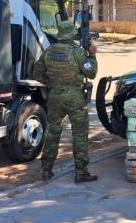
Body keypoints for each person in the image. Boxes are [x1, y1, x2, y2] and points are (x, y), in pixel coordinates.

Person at [33, 21, 98, 183]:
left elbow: (38, 74)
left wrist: (53, 84)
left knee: (53, 132)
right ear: (71, 34)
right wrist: (92, 54)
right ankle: (81, 172)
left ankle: (46, 170)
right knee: (79, 134)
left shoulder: (49, 51)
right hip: (75, 97)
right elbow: (91, 73)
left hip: (55, 97)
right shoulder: (77, 52)